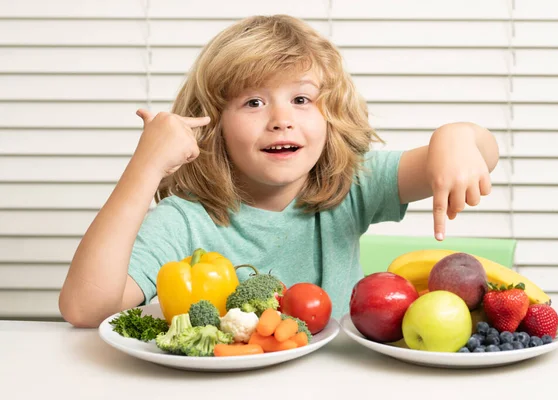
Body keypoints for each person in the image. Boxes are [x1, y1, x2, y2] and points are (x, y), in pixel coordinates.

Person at [58, 14, 499, 328]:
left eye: (302, 100)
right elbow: (85, 308)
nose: (280, 118)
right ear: (212, 123)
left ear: (330, 116)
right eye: (253, 102)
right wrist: (146, 166)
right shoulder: (185, 219)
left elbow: (485, 153)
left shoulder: (351, 183)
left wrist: (457, 136)